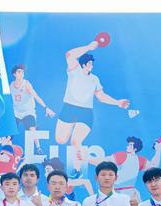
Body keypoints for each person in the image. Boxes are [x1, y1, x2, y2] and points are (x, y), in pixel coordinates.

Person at [54, 39, 131, 178]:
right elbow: (69, 54)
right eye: (89, 63)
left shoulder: (95, 79)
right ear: (83, 64)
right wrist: (89, 47)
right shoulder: (74, 70)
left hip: (85, 112)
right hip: (69, 108)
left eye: (92, 63)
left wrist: (117, 102)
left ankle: (77, 170)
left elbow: (101, 96)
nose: (91, 65)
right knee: (60, 140)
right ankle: (90, 160)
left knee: (76, 141)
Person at [89, 136, 161, 198]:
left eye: (130, 145)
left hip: (124, 195)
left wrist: (87, 157)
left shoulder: (124, 156)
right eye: (128, 144)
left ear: (135, 148)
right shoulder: (139, 160)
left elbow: (100, 162)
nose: (127, 146)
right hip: (126, 194)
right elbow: (154, 165)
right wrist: (158, 150)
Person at [10, 64, 56, 156]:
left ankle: (38, 148)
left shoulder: (26, 84)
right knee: (11, 131)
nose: (21, 74)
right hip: (16, 112)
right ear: (14, 74)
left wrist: (46, 108)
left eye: (22, 72)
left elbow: (36, 96)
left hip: (28, 111)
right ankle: (7, 148)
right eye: (19, 72)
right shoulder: (11, 85)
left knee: (32, 129)